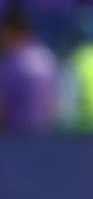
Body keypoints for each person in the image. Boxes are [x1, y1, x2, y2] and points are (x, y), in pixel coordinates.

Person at [0, 7, 60, 135]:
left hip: (15, 144)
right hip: (46, 141)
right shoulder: (47, 57)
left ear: (12, 31)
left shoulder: (13, 62)